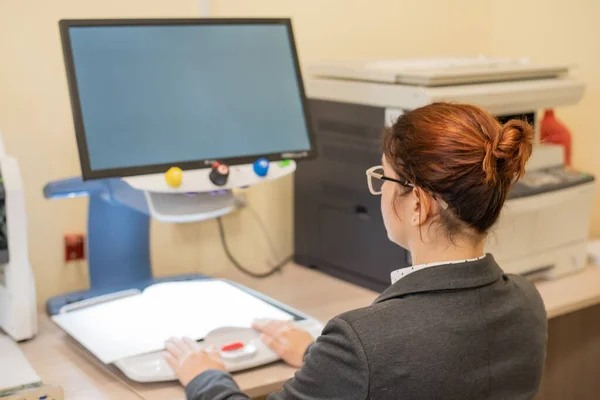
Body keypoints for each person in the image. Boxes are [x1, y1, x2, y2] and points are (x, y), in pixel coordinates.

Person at [165, 102, 547, 400]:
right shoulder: (527, 300)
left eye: (383, 178)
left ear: (418, 205)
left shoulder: (361, 340)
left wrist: (205, 376)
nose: (379, 191)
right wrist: (324, 361)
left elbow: (392, 359)